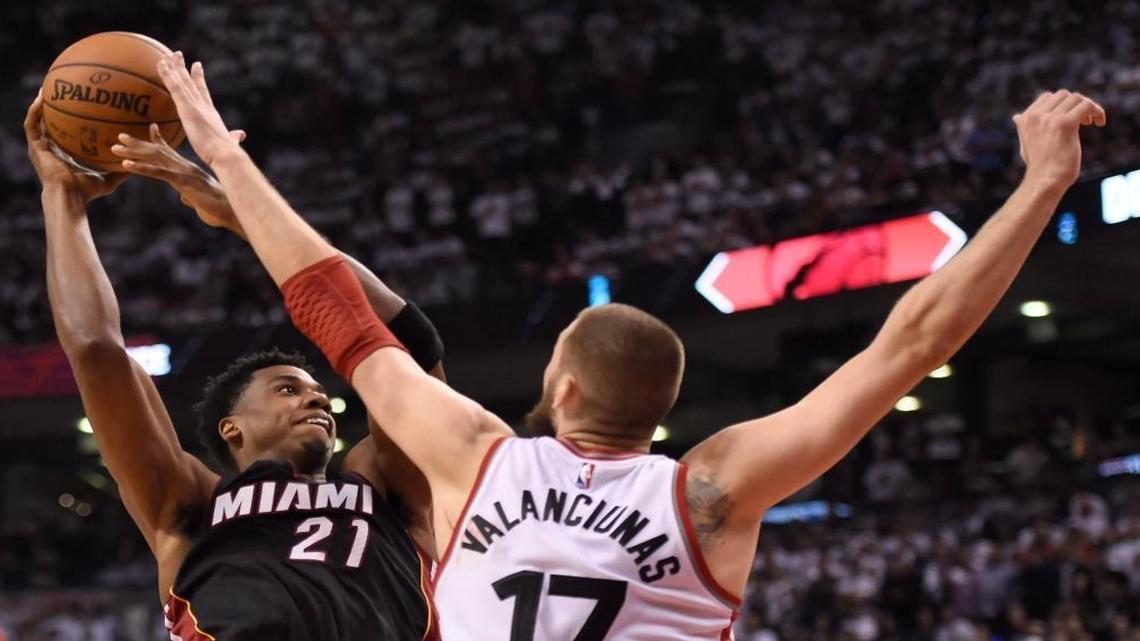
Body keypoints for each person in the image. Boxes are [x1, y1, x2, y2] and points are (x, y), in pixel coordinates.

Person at [155, 50, 1106, 639]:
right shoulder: (710, 488)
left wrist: (233, 166)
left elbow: (337, 313)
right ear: (660, 411)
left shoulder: (474, 456)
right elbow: (911, 341)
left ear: (559, 383)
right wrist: (1040, 185)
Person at [25, 91, 444, 641]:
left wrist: (239, 212)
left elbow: (413, 344)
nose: (316, 398)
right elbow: (95, 349)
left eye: (317, 391)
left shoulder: (386, 488)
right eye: (288, 389)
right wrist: (61, 194)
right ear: (232, 427)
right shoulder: (190, 504)